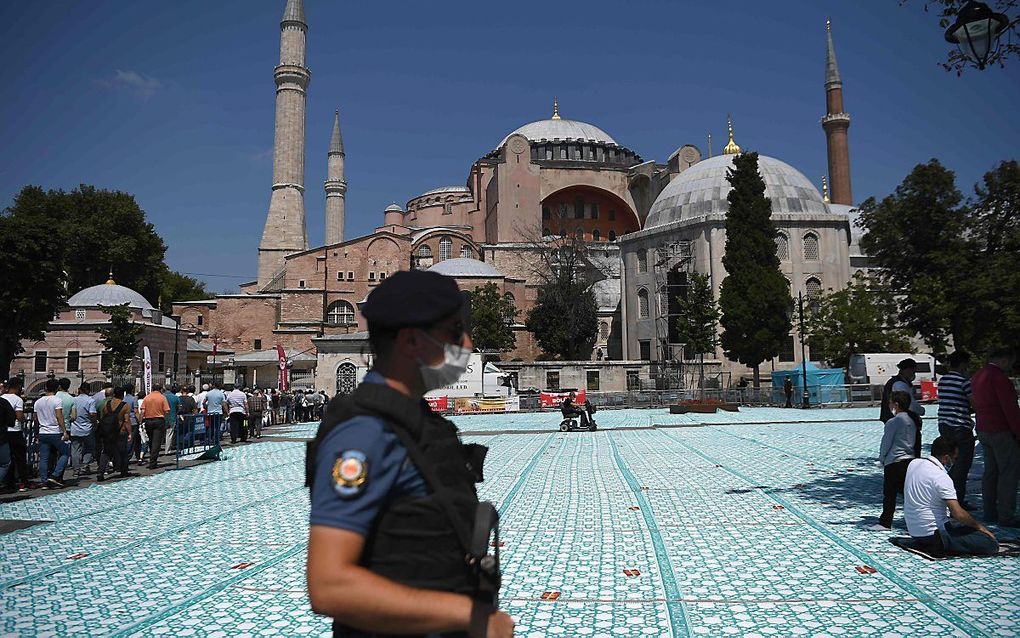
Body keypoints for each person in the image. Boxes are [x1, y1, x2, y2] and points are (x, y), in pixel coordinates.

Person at [306, 270, 512, 638]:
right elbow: (329, 585)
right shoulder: (365, 435)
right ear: (412, 340)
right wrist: (467, 616)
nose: (465, 343)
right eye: (453, 332)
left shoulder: (417, 422)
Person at [903, 436, 998, 556]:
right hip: (934, 532)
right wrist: (980, 527)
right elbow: (958, 513)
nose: (955, 461)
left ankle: (937, 542)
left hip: (914, 531)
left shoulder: (914, 464)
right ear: (946, 458)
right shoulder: (941, 477)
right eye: (955, 457)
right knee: (989, 543)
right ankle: (943, 543)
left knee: (965, 530)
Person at [971, 347, 1020, 526]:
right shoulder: (1000, 378)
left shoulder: (978, 376)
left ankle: (989, 511)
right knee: (1008, 473)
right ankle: (1006, 515)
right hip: (1000, 430)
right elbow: (1010, 408)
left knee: (990, 472)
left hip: (983, 428)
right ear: (1005, 360)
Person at [874, 390, 921, 530]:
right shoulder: (912, 420)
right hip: (909, 460)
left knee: (889, 494)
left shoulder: (894, 421)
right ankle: (916, 520)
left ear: (896, 404)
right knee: (907, 493)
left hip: (894, 461)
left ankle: (885, 522)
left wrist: (881, 458)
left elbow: (886, 442)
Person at [937, 351, 976, 506]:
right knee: (963, 463)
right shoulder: (964, 381)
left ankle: (947, 492)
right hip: (960, 425)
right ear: (962, 364)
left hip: (944, 424)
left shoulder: (943, 381)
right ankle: (956, 501)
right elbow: (974, 402)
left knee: (952, 460)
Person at [35, 378, 70, 488]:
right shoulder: (57, 400)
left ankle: (44, 480)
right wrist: (64, 431)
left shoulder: (38, 401)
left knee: (44, 458)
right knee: (65, 452)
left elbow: (35, 418)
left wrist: (37, 432)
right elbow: (59, 416)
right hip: (54, 431)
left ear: (45, 387)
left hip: (42, 431)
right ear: (57, 388)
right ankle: (55, 475)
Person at [97, 386, 133, 480]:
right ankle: (123, 470)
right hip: (120, 431)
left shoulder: (107, 404)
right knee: (123, 452)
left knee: (106, 452)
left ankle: (100, 472)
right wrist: (130, 433)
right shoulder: (125, 405)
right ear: (122, 395)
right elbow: (126, 420)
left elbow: (102, 417)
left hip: (108, 432)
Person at [2, 378, 30, 491]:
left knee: (7, 459)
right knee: (20, 457)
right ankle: (23, 481)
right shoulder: (18, 400)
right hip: (15, 431)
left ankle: (9, 483)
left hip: (4, 431)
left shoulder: (2, 398)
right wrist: (24, 419)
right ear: (18, 387)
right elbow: (19, 416)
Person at [880, 358, 926, 423]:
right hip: (898, 420)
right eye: (913, 372)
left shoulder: (896, 381)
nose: (914, 374)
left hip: (894, 419)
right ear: (908, 370)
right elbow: (908, 403)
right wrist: (921, 410)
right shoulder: (899, 384)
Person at [139, 384, 170, 469]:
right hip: (159, 420)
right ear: (160, 389)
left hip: (148, 421)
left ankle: (152, 458)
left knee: (151, 440)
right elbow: (167, 411)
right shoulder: (162, 398)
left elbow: (142, 411)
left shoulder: (147, 397)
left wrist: (140, 421)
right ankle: (153, 462)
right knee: (156, 442)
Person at [69, 385, 98, 477]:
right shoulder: (90, 400)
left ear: (79, 390)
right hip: (87, 428)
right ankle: (85, 465)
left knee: (75, 449)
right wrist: (95, 423)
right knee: (89, 447)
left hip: (75, 428)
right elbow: (92, 413)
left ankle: (76, 469)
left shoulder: (74, 400)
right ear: (88, 390)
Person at [123, 383, 142, 464]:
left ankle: (138, 457)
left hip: (125, 421)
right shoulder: (134, 399)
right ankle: (127, 457)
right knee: (132, 440)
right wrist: (140, 420)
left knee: (131, 439)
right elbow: (136, 411)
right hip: (133, 422)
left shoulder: (123, 399)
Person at [163, 385, 181, 452]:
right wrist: (176, 412)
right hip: (172, 417)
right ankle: (167, 450)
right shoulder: (175, 397)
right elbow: (179, 407)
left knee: (160, 435)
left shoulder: (161, 397)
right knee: (169, 434)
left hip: (161, 417)